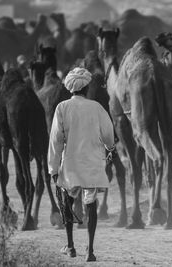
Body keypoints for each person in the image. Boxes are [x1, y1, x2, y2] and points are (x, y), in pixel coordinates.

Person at [48, 67, 115, 262]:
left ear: (71, 88)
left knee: (67, 203)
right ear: (86, 87)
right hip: (93, 163)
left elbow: (56, 140)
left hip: (70, 164)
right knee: (91, 203)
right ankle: (91, 251)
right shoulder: (96, 107)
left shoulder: (62, 107)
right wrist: (110, 148)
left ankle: (70, 246)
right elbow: (109, 134)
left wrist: (53, 168)